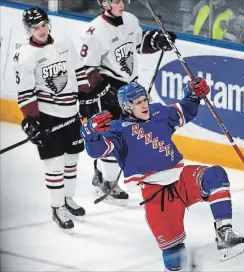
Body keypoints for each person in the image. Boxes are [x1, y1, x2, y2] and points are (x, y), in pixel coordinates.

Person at [80, 78, 244, 270]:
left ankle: (224, 233)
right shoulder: (118, 130)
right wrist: (90, 134)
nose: (144, 105)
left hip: (182, 181)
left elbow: (185, 110)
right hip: (156, 197)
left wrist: (193, 93)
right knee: (174, 255)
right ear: (127, 107)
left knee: (215, 175)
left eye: (145, 100)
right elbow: (97, 150)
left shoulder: (159, 113)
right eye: (138, 102)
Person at [78, 0, 177, 205]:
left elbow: (140, 44)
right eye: (116, 1)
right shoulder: (94, 31)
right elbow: (87, 69)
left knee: (136, 134)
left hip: (130, 86)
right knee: (114, 136)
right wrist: (105, 90)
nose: (121, 4)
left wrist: (158, 40)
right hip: (108, 89)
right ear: (105, 3)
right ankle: (107, 181)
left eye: (123, 0)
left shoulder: (131, 20)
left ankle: (110, 177)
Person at [12, 6, 96, 231]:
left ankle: (68, 199)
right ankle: (57, 206)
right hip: (49, 116)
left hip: (70, 112)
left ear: (49, 24)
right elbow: (26, 92)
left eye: (43, 25)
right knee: (54, 164)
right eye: (35, 27)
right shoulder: (25, 56)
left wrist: (86, 98)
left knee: (71, 161)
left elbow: (78, 71)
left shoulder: (64, 42)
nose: (40, 30)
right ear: (28, 30)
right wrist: (31, 120)